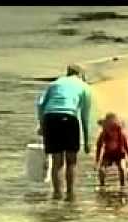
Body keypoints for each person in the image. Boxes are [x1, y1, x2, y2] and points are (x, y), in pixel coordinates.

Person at [36, 64, 93, 201]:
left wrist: (42, 124)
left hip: (51, 117)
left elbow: (40, 104)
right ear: (81, 75)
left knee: (57, 161)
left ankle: (56, 194)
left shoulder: (55, 84)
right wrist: (87, 141)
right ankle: (70, 194)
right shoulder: (84, 87)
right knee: (71, 161)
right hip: (69, 118)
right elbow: (85, 116)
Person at [95, 112, 128, 187]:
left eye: (113, 126)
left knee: (122, 169)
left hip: (119, 154)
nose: (111, 130)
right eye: (109, 126)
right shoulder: (103, 134)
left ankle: (123, 186)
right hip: (108, 155)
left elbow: (127, 148)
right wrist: (97, 160)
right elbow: (99, 146)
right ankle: (102, 185)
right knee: (101, 170)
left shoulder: (121, 134)